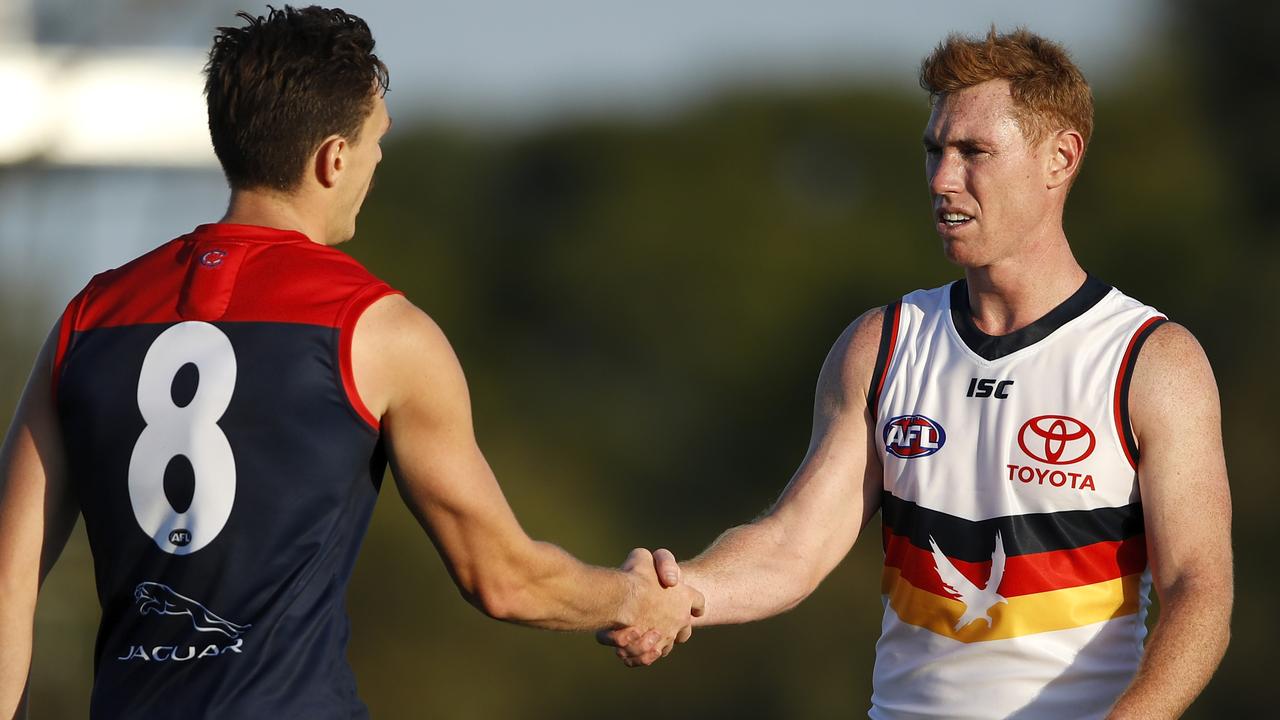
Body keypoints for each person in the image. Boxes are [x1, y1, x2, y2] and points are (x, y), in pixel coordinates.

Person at [0, 6, 701, 719]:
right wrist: (633, 597)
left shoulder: (88, 318)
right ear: (333, 158)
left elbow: (6, 582)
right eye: (376, 139)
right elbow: (504, 578)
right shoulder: (379, 330)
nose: (380, 160)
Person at [602, 27, 1232, 719]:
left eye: (974, 153)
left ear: (1060, 158)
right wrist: (680, 591)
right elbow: (792, 545)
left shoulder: (1152, 359)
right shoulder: (882, 344)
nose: (941, 179)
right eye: (935, 149)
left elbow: (1199, 591)